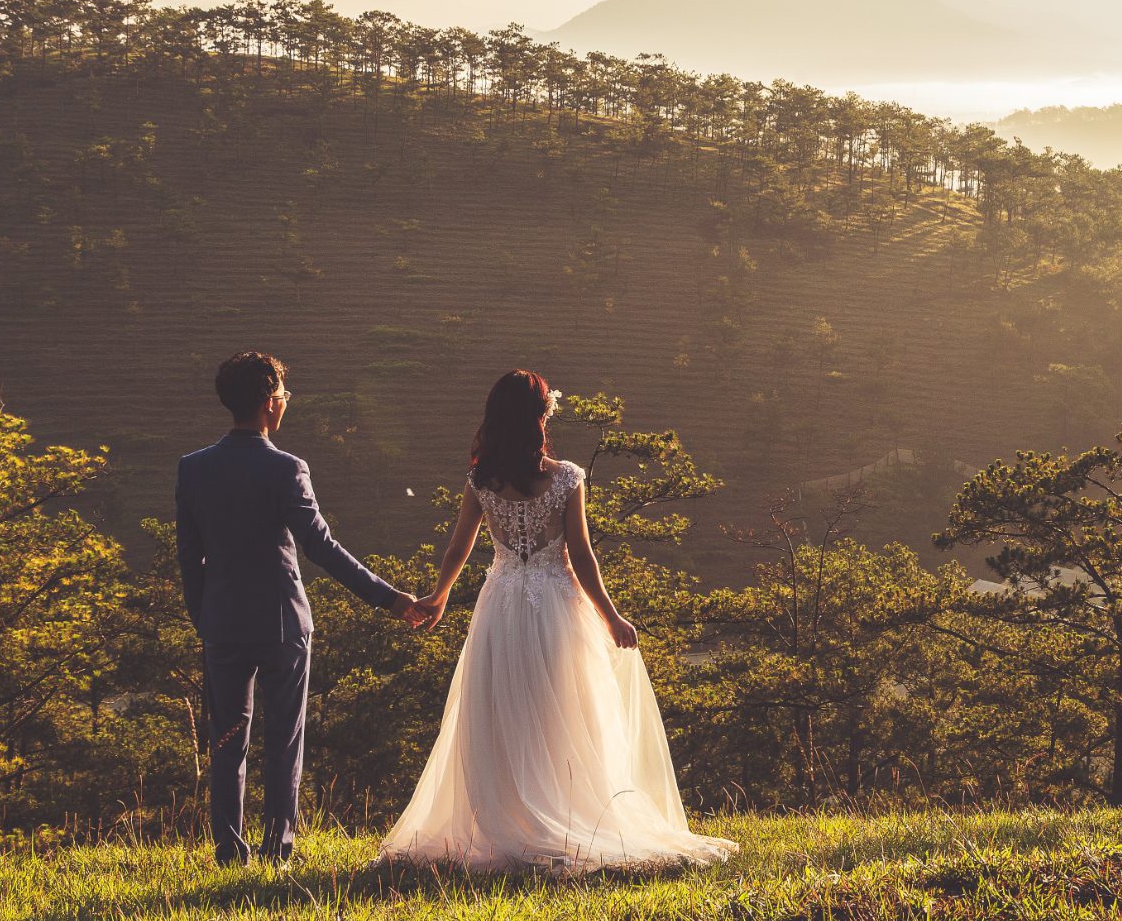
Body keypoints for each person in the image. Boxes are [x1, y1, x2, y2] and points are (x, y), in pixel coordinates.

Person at [376, 369, 737, 872]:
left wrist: (439, 597)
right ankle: (564, 812)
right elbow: (582, 556)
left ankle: (512, 816)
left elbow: (459, 545)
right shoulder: (566, 477)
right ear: (539, 419)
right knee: (564, 709)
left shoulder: (482, 480)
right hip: (557, 604)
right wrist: (611, 617)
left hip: (500, 603)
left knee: (505, 712)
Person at [175, 351, 428, 866]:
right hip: (282, 624)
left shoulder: (193, 468)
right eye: (285, 396)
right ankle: (277, 850)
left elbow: (188, 556)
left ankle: (228, 850)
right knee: (283, 741)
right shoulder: (287, 468)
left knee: (227, 740)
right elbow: (321, 548)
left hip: (222, 623)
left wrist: (205, 618)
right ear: (271, 403)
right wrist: (391, 597)